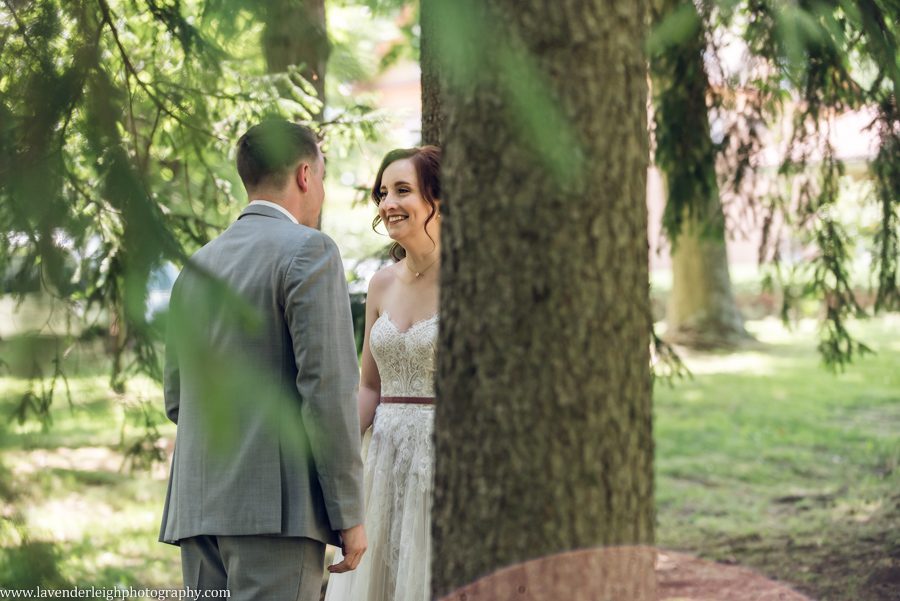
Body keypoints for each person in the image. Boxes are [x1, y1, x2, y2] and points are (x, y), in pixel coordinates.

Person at [159, 120, 367, 601]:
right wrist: (348, 514)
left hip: (197, 511)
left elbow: (178, 400)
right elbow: (327, 392)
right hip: (278, 516)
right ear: (304, 175)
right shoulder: (309, 251)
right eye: (323, 174)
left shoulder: (196, 266)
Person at [324, 146, 441, 601]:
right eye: (383, 192)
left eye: (403, 190)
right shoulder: (381, 283)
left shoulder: (472, 281)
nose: (388, 202)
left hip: (440, 459)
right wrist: (336, 453)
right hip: (384, 458)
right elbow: (369, 386)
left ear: (439, 199)